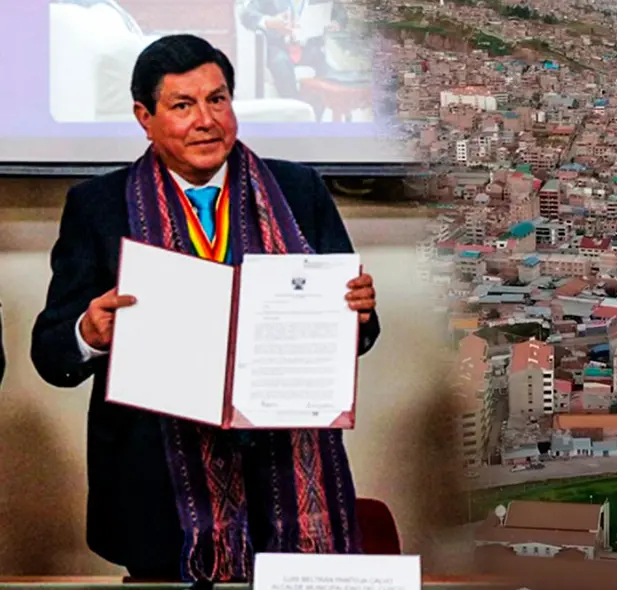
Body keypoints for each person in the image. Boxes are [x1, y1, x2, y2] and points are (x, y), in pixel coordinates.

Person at [31, 34, 379, 582]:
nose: (206, 121)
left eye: (217, 100)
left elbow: (356, 327)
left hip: (284, 483)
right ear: (144, 117)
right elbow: (51, 353)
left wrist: (357, 311)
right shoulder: (97, 205)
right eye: (182, 105)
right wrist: (88, 332)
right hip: (159, 494)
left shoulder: (298, 189)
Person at [238, 0, 348, 101]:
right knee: (281, 64)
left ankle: (320, 113)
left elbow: (340, 14)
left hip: (308, 49)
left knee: (332, 77)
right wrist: (270, 22)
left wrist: (336, 23)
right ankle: (295, 110)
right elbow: (246, 15)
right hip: (279, 48)